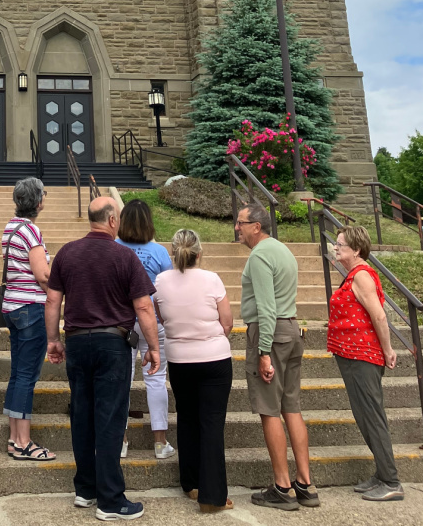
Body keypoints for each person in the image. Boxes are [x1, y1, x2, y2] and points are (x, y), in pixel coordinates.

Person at [46, 195, 159, 522]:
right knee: (110, 419)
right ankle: (110, 500)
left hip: (78, 342)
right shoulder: (124, 256)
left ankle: (86, 489)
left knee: (82, 414)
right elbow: (143, 307)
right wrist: (153, 347)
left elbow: (52, 301)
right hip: (113, 343)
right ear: (112, 220)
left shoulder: (67, 252)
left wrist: (53, 340)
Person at [236, 201, 317, 512]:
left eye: (241, 223)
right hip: (292, 329)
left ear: (257, 226)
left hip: (270, 333)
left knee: (269, 410)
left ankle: (282, 487)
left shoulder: (259, 256)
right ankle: (305, 484)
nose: (237, 228)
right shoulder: (283, 250)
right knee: (291, 407)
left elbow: (267, 308)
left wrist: (264, 351)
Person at [155, 229, 235, 512]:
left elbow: (162, 317)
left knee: (187, 420)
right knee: (212, 424)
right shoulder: (212, 279)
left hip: (179, 361)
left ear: (172, 252)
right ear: (199, 253)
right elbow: (227, 322)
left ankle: (191, 483)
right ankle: (213, 496)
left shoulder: (161, 281)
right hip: (213, 358)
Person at [327, 225, 404, 502]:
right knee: (364, 417)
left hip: (363, 356)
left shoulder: (361, 276)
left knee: (372, 417)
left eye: (341, 245)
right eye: (336, 244)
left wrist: (388, 349)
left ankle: (392, 481)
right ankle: (382, 474)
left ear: (356, 249)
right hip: (352, 355)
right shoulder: (353, 276)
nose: (336, 248)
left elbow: (380, 317)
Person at [0, 176, 54, 460]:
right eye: (44, 194)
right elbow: (42, 274)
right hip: (31, 309)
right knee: (27, 376)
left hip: (12, 307)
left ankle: (13, 438)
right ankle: (23, 442)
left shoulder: (11, 227)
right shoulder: (31, 231)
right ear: (38, 200)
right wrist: (58, 292)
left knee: (17, 373)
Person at [115, 199, 174, 460]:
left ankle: (121, 441)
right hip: (153, 321)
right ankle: (160, 442)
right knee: (156, 379)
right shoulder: (159, 252)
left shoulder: (114, 248)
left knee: (120, 382)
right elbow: (168, 290)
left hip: (122, 322)